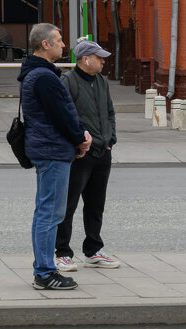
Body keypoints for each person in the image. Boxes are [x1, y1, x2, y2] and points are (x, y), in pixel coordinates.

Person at [19, 23, 92, 291]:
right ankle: (45, 272)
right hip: (51, 150)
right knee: (50, 214)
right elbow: (60, 114)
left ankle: (44, 270)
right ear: (45, 44)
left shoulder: (39, 74)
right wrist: (80, 137)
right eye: (59, 40)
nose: (64, 45)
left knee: (46, 212)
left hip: (48, 149)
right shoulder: (44, 77)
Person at [55, 38, 120, 271]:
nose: (103, 61)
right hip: (80, 155)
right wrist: (78, 142)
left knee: (95, 204)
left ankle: (93, 250)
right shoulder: (68, 82)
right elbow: (65, 116)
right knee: (68, 204)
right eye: (99, 57)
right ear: (85, 59)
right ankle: (62, 252)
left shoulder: (102, 81)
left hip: (103, 152)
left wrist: (110, 139)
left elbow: (110, 113)